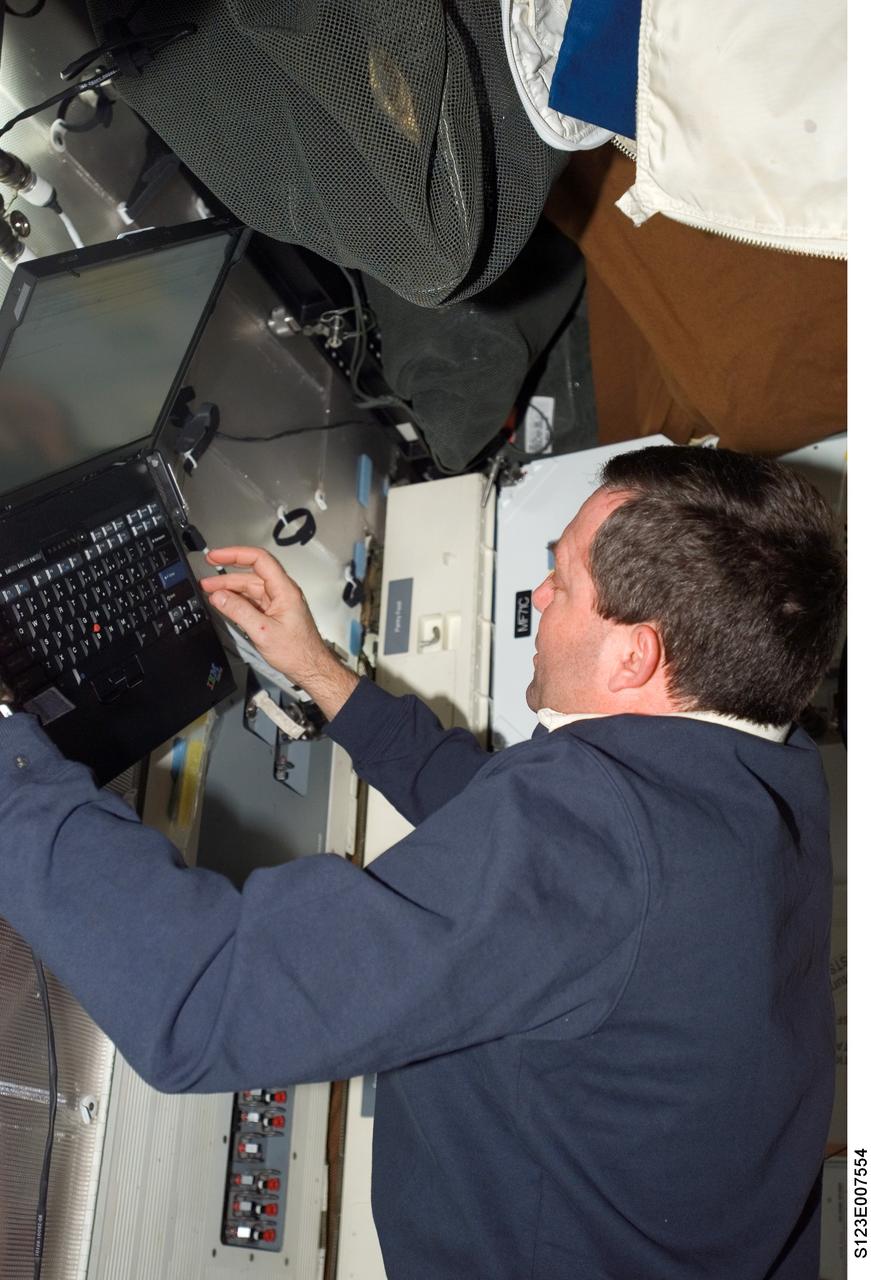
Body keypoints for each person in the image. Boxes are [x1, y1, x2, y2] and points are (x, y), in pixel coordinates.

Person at [0, 446, 845, 1279]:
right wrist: (322, 676)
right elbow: (522, 829)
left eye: (563, 581)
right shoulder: (764, 767)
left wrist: (13, 763)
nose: (539, 596)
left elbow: (209, 1000)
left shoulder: (594, 828)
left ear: (635, 657)